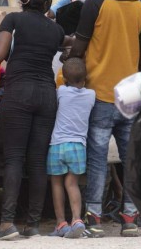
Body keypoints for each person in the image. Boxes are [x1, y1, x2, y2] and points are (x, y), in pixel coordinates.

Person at [67, 0, 141, 238]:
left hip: (101, 93)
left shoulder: (95, 5)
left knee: (98, 158)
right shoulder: (139, 5)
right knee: (130, 160)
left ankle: (95, 219)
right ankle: (130, 219)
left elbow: (79, 47)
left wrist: (69, 55)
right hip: (132, 94)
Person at [0, 0, 69, 240]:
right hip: (47, 95)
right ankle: (32, 224)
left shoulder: (13, 20)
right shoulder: (55, 29)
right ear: (47, 3)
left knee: (14, 158)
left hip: (19, 93)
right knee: (37, 161)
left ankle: (6, 224)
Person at [47, 58, 95, 239]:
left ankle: (61, 223)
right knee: (72, 183)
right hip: (77, 146)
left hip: (57, 145)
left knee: (56, 183)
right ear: (86, 77)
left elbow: (60, 83)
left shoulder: (61, 92)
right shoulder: (91, 95)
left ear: (64, 77)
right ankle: (77, 220)